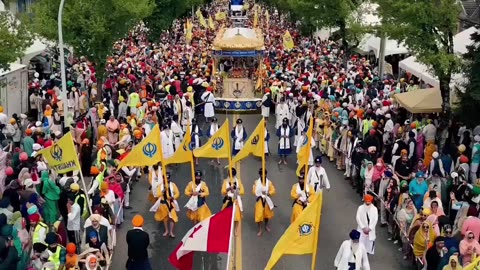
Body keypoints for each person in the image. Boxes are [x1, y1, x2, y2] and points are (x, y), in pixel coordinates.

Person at [151, 172, 180, 238]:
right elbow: (157, 195)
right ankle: (166, 230)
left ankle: (171, 232)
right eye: (165, 179)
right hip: (163, 204)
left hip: (171, 203)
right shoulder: (160, 186)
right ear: (163, 179)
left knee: (172, 218)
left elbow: (177, 193)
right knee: (165, 218)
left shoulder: (173, 185)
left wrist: (173, 197)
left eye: (168, 178)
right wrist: (163, 191)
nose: (167, 180)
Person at [253, 168, 275, 236]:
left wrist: (269, 193)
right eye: (261, 174)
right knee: (259, 215)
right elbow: (254, 191)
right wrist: (260, 191)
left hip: (266, 201)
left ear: (266, 174)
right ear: (259, 175)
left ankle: (266, 225)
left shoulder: (269, 182)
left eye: (264, 174)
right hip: (260, 201)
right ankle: (260, 229)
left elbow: (273, 190)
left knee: (267, 215)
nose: (262, 175)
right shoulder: (256, 182)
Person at [221, 167, 244, 236]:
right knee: (226, 216)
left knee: (237, 217)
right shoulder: (226, 181)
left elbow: (242, 191)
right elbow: (223, 191)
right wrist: (228, 189)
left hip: (236, 200)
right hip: (228, 200)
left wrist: (236, 190)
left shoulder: (238, 181)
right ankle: (228, 229)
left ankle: (235, 229)